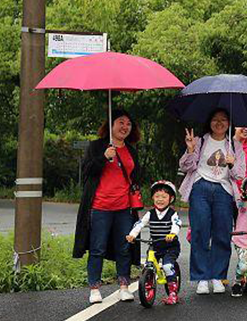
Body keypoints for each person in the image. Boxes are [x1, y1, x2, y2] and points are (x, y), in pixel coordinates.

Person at [75, 109, 143, 304]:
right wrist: (104, 157)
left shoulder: (131, 150)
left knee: (124, 247)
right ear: (111, 125)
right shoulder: (97, 147)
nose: (125, 127)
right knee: (97, 248)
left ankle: (124, 286)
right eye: (120, 122)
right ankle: (95, 288)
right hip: (100, 206)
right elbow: (87, 171)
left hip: (124, 207)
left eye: (128, 124)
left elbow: (135, 176)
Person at [179, 109, 246, 295]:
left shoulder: (234, 145)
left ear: (229, 124)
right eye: (215, 119)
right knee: (200, 231)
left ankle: (217, 276)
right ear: (209, 122)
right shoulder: (200, 141)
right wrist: (190, 150)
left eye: (223, 120)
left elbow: (240, 173)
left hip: (224, 191)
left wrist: (232, 163)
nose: (219, 123)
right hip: (200, 187)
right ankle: (201, 277)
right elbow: (186, 166)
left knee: (222, 233)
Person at [127, 180, 182, 305]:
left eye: (164, 197)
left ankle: (173, 293)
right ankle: (148, 285)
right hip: (155, 245)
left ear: (171, 199)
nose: (160, 199)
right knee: (148, 266)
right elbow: (140, 224)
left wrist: (172, 234)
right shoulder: (150, 214)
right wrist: (132, 235)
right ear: (152, 198)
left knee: (168, 267)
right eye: (157, 196)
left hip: (170, 246)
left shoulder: (172, 214)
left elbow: (177, 224)